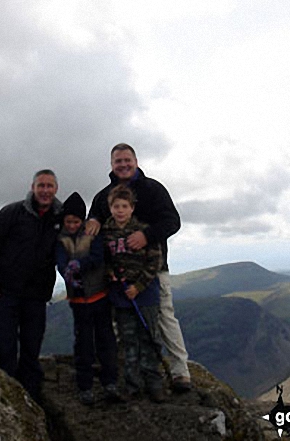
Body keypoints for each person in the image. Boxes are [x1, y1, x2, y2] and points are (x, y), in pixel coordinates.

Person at [86, 143, 192, 392]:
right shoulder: (104, 196)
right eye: (118, 161)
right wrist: (92, 219)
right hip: (118, 276)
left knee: (164, 319)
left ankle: (180, 373)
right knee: (123, 326)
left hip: (154, 269)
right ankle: (127, 371)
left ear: (135, 161)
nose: (123, 165)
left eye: (127, 160)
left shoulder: (153, 189)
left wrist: (147, 235)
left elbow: (172, 221)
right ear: (111, 165)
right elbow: (96, 216)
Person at [0, 169, 62, 402]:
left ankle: (31, 402)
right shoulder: (12, 213)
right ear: (33, 187)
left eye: (50, 186)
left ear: (56, 189)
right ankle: (4, 401)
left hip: (37, 296)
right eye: (41, 186)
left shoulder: (59, 217)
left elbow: (72, 245)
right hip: (6, 292)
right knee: (5, 349)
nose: (45, 190)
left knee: (31, 350)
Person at [55, 192, 120, 405]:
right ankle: (85, 386)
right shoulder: (61, 239)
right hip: (78, 301)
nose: (72, 225)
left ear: (82, 220)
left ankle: (110, 382)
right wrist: (66, 271)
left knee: (105, 340)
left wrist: (79, 266)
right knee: (83, 343)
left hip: (99, 296)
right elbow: (60, 261)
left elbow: (97, 257)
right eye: (68, 221)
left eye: (75, 221)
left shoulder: (93, 235)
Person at [101, 184, 165, 402]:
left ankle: (154, 383)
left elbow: (156, 261)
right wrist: (110, 273)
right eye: (116, 206)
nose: (120, 210)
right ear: (110, 207)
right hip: (120, 296)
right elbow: (104, 259)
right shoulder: (105, 232)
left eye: (124, 206)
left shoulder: (143, 230)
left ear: (131, 208)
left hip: (145, 295)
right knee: (128, 341)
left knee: (149, 338)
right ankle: (132, 385)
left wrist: (138, 286)